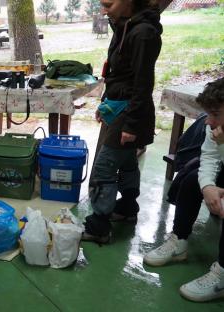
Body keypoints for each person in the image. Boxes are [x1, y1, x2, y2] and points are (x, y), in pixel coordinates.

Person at [82, 0, 162, 243]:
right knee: (126, 160)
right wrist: (105, 103)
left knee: (104, 167)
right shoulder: (124, 25)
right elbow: (117, 74)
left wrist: (131, 124)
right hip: (118, 106)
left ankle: (99, 227)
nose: (103, 10)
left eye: (108, 4)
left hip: (129, 111)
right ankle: (127, 209)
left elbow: (142, 83)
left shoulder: (143, 33)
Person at [144, 78, 224, 302]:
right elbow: (208, 156)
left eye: (215, 114)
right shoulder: (215, 127)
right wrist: (208, 186)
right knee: (190, 179)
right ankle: (179, 242)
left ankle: (222, 276)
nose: (208, 121)